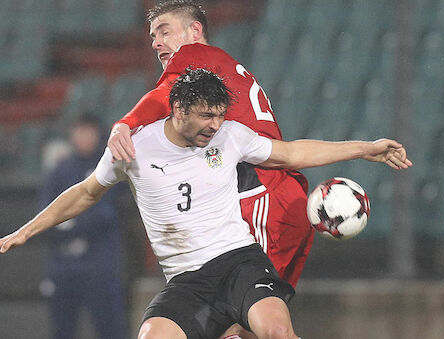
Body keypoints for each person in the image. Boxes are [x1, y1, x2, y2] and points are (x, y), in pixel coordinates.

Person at [0, 68, 412, 339]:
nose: (215, 124)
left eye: (220, 115)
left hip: (239, 262)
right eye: (206, 115)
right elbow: (84, 193)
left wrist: (363, 148)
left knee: (277, 331)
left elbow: (293, 153)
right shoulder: (134, 148)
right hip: (186, 282)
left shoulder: (230, 136)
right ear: (177, 108)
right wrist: (24, 232)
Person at [108, 0, 313, 292]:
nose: (156, 43)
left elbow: (166, 94)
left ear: (195, 30)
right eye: (153, 36)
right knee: (258, 321)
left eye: (164, 32)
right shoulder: (220, 65)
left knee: (242, 315)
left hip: (261, 195)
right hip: (278, 195)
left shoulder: (194, 55)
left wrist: (125, 123)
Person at [39, 114, 130, 338]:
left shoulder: (110, 167)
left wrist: (70, 223)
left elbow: (103, 215)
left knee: (110, 328)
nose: (83, 136)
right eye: (79, 130)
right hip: (64, 265)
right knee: (62, 328)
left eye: (88, 131)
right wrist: (73, 224)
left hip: (100, 265)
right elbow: (46, 215)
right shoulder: (60, 172)